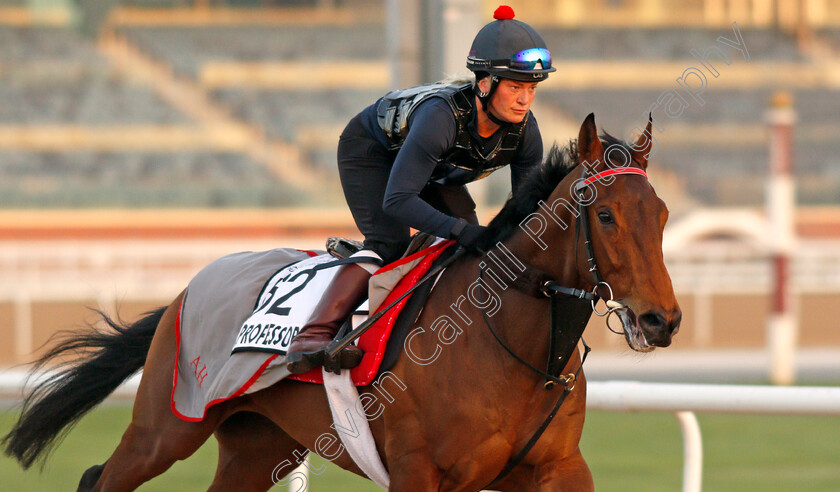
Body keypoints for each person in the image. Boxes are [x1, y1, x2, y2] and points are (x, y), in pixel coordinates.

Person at [285, 5, 556, 374]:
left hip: (432, 171)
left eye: (531, 88)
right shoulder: (441, 118)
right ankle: (313, 336)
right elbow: (398, 199)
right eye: (515, 87)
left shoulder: (527, 132)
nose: (525, 100)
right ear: (484, 83)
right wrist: (463, 230)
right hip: (372, 151)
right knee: (390, 242)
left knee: (466, 250)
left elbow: (528, 215)